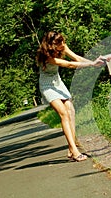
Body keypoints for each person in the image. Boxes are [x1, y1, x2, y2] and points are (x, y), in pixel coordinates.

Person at [36, 31, 105, 162]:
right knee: (64, 114)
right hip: (47, 86)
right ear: (51, 45)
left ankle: (71, 147)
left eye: (62, 41)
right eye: (59, 43)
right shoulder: (46, 56)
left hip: (57, 83)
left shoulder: (63, 46)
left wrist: (94, 63)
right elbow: (69, 65)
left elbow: (76, 59)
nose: (62, 44)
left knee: (71, 111)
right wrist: (92, 64)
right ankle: (74, 151)